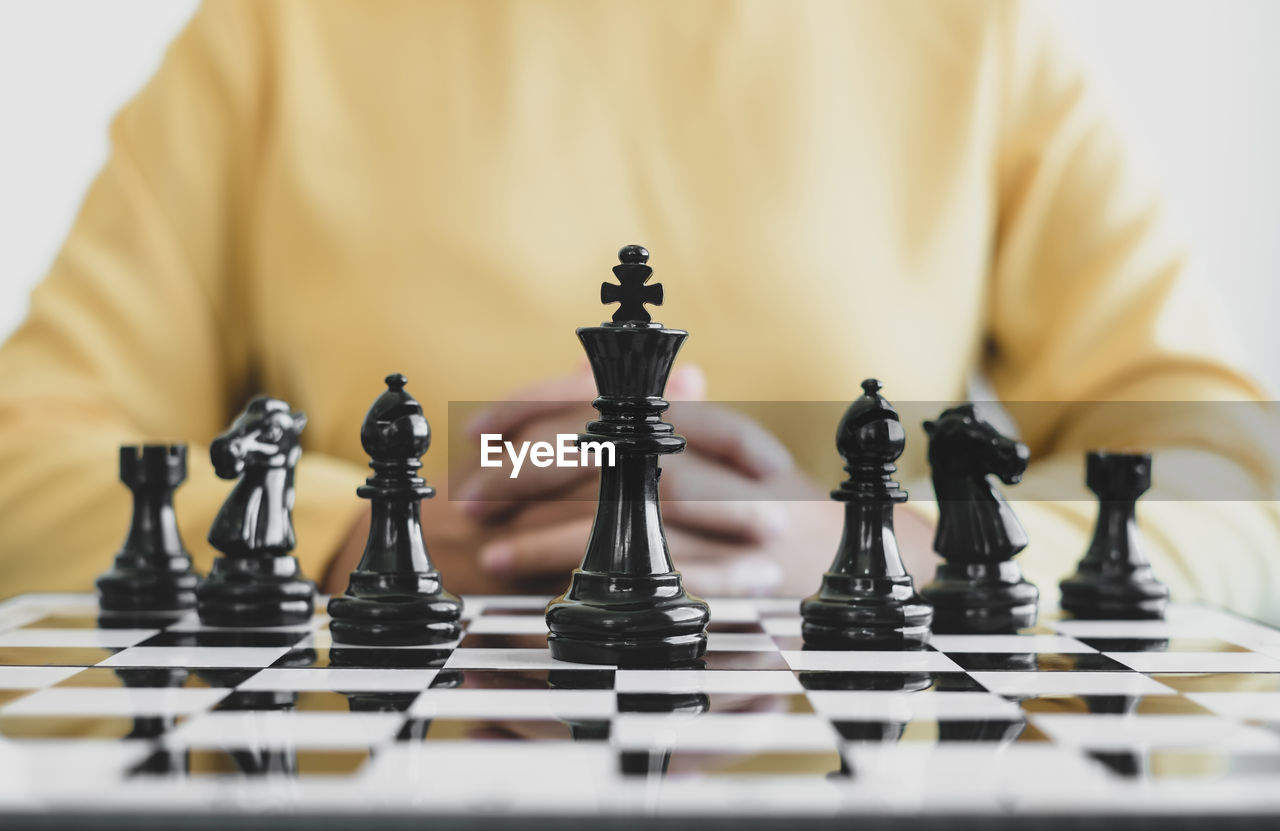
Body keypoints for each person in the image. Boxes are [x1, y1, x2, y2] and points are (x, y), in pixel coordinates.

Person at [0, 0, 1276, 617]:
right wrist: (354, 547)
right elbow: (24, 457)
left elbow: (1239, 474)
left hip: (877, 829)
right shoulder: (274, 35)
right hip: (376, 826)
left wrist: (905, 553)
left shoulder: (972, 36)